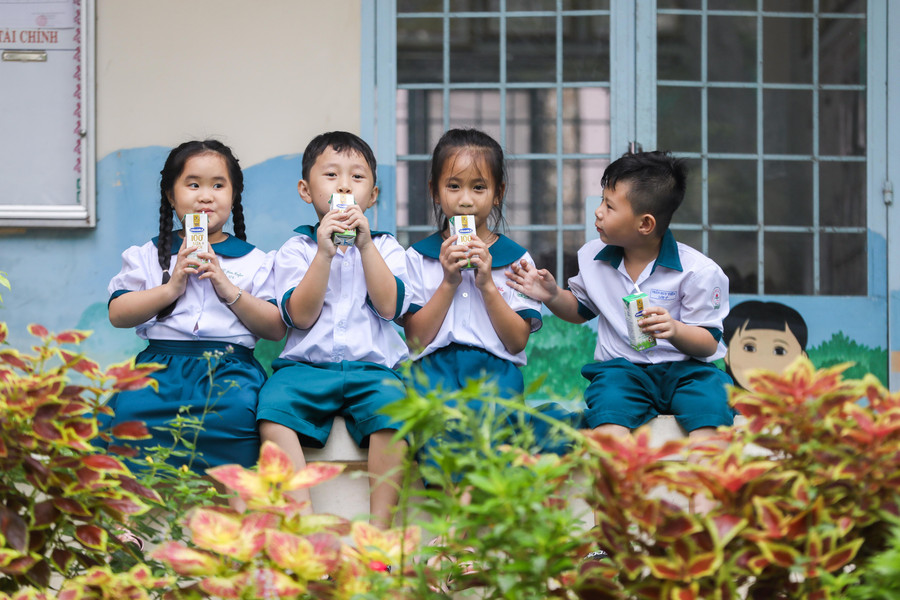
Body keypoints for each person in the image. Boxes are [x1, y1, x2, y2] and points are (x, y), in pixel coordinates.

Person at [507, 150, 734, 448]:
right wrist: (552, 295)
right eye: (602, 200)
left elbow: (708, 343)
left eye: (609, 206)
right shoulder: (592, 257)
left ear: (645, 224)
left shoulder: (698, 272)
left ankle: (705, 474)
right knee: (609, 405)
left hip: (687, 371)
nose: (598, 212)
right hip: (623, 371)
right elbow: (580, 310)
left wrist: (675, 330)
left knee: (711, 406)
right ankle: (619, 473)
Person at [256, 131, 409, 530]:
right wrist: (324, 253)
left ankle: (378, 533)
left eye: (357, 177)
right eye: (331, 175)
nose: (344, 187)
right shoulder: (296, 249)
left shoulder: (387, 248)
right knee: (272, 410)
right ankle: (302, 526)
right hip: (305, 369)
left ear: (373, 196)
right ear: (306, 190)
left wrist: (365, 246)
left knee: (395, 415)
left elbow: (390, 307)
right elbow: (300, 316)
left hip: (372, 370)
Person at [105, 139, 286, 475]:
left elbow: (275, 328)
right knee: (130, 417)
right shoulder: (147, 255)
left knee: (239, 413)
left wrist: (226, 287)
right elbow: (118, 314)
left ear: (234, 195)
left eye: (218, 185)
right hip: (158, 370)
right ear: (171, 196)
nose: (206, 196)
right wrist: (172, 287)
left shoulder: (256, 261)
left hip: (231, 371)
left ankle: (233, 503)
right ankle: (138, 508)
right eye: (193, 185)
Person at [404, 128, 575, 479]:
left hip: (496, 374)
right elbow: (416, 340)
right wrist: (449, 281)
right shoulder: (418, 258)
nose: (466, 200)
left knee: (496, 426)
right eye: (454, 186)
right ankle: (454, 505)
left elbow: (516, 341)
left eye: (479, 187)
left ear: (498, 194)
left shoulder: (517, 260)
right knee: (441, 425)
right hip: (433, 374)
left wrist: (487, 285)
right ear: (435, 191)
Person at [723, 300, 808, 390]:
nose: (763, 360)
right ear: (727, 354)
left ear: (803, 358)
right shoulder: (718, 397)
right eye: (749, 348)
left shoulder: (811, 398)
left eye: (779, 351)